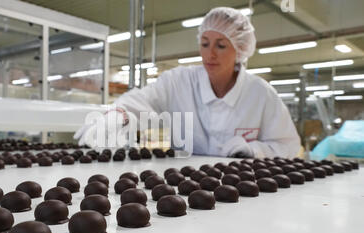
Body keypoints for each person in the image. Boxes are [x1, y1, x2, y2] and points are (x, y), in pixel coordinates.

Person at [74, 7, 301, 158]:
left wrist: (253, 150)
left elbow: (288, 146)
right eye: (204, 44)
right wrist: (118, 114)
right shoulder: (179, 81)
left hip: (245, 196)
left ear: (240, 49)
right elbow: (141, 100)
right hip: (183, 198)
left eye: (221, 45)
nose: (210, 54)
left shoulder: (260, 94)